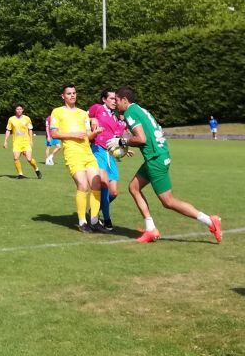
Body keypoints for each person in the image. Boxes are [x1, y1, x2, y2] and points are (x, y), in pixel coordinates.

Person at [108, 87, 222, 244]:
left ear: (124, 100)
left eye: (117, 100)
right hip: (158, 155)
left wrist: (121, 141)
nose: (115, 103)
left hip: (156, 159)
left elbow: (141, 139)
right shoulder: (138, 109)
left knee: (168, 201)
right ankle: (150, 229)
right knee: (134, 188)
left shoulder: (130, 112)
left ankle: (210, 221)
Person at [50, 84, 102, 232]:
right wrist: (73, 135)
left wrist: (95, 133)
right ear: (63, 96)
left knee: (96, 183)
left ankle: (94, 220)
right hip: (72, 153)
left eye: (74, 93)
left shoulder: (82, 113)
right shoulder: (57, 112)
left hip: (87, 152)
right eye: (69, 93)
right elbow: (54, 134)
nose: (72, 95)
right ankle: (82, 222)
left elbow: (87, 135)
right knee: (83, 185)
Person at [88, 90, 128, 231]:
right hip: (98, 151)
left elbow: (118, 137)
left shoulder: (116, 118)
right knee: (103, 183)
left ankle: (95, 209)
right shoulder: (97, 108)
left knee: (114, 193)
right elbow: (85, 117)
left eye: (115, 99)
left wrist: (125, 149)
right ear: (104, 99)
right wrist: (92, 119)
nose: (114, 101)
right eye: (111, 98)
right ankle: (107, 219)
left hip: (110, 155)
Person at [3, 105, 40, 179]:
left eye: (20, 109)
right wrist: (5, 141)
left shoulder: (27, 118)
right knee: (16, 158)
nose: (19, 110)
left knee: (29, 159)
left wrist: (31, 140)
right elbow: (8, 130)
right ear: (15, 110)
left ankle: (36, 169)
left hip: (26, 142)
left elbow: (30, 129)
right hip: (16, 142)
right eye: (17, 109)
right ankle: (20, 174)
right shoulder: (11, 119)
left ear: (22, 110)